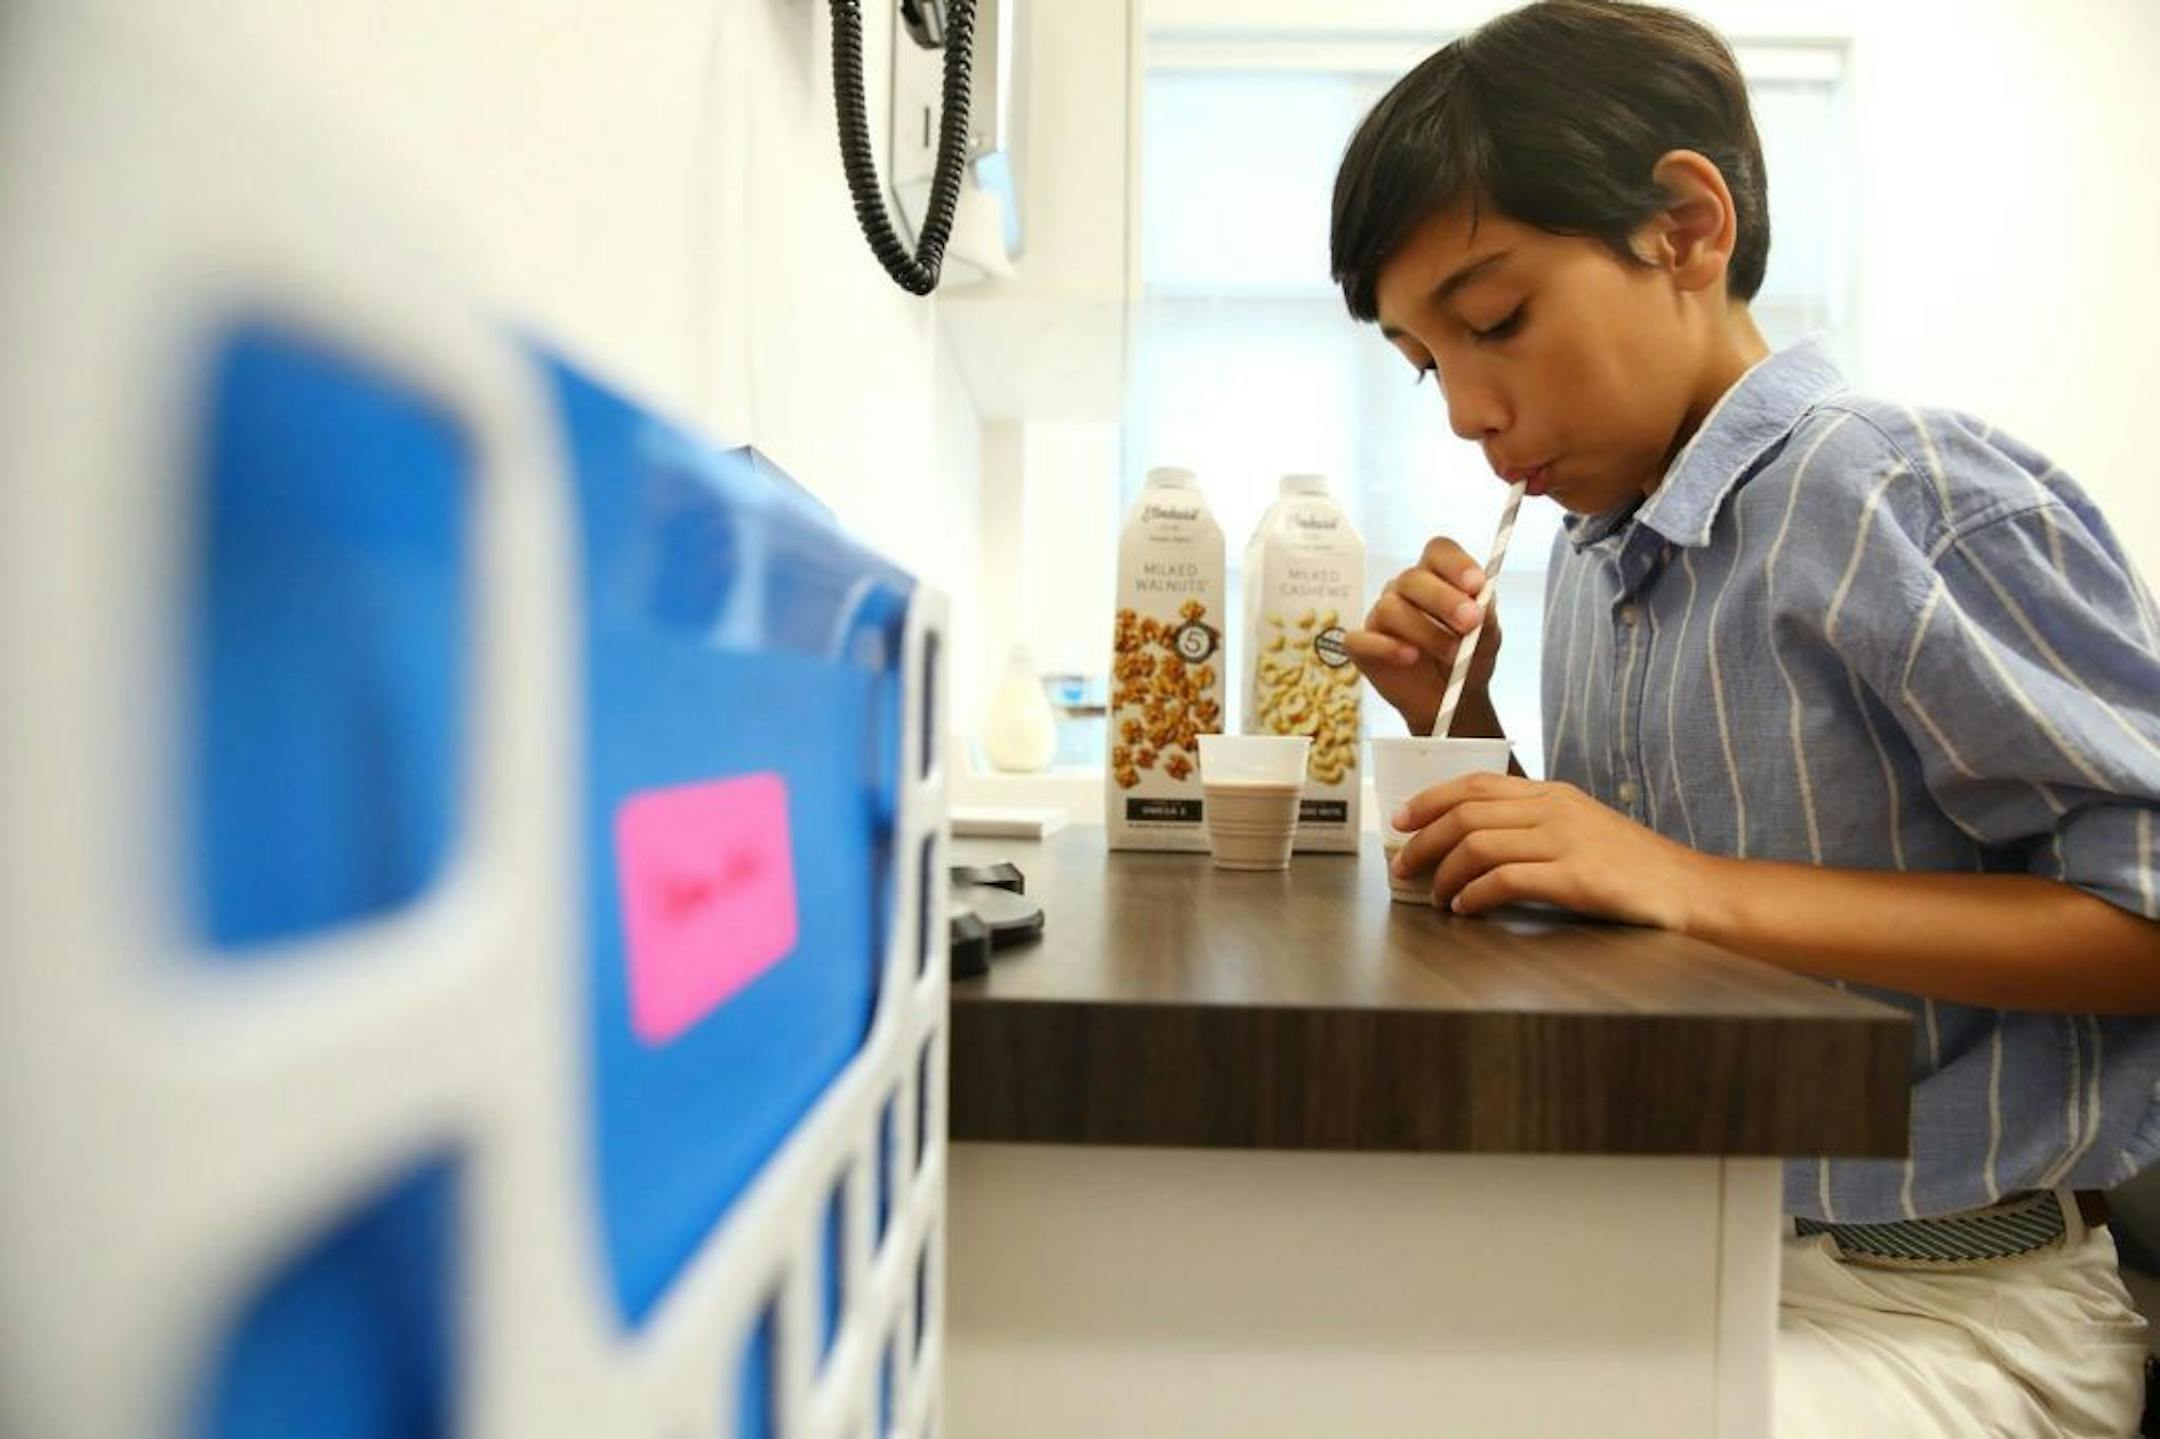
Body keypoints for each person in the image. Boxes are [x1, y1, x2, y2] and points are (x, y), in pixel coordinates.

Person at [1329, 2, 2160, 1433]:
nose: (1466, 409)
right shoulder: (1603, 557)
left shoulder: (1898, 493)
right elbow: (1640, 918)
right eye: (1426, 362)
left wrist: (1686, 884)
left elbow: (2144, 921)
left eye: (1494, 322)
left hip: (1949, 1308)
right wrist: (1473, 739)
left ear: (1686, 226)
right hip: (1689, 1257)